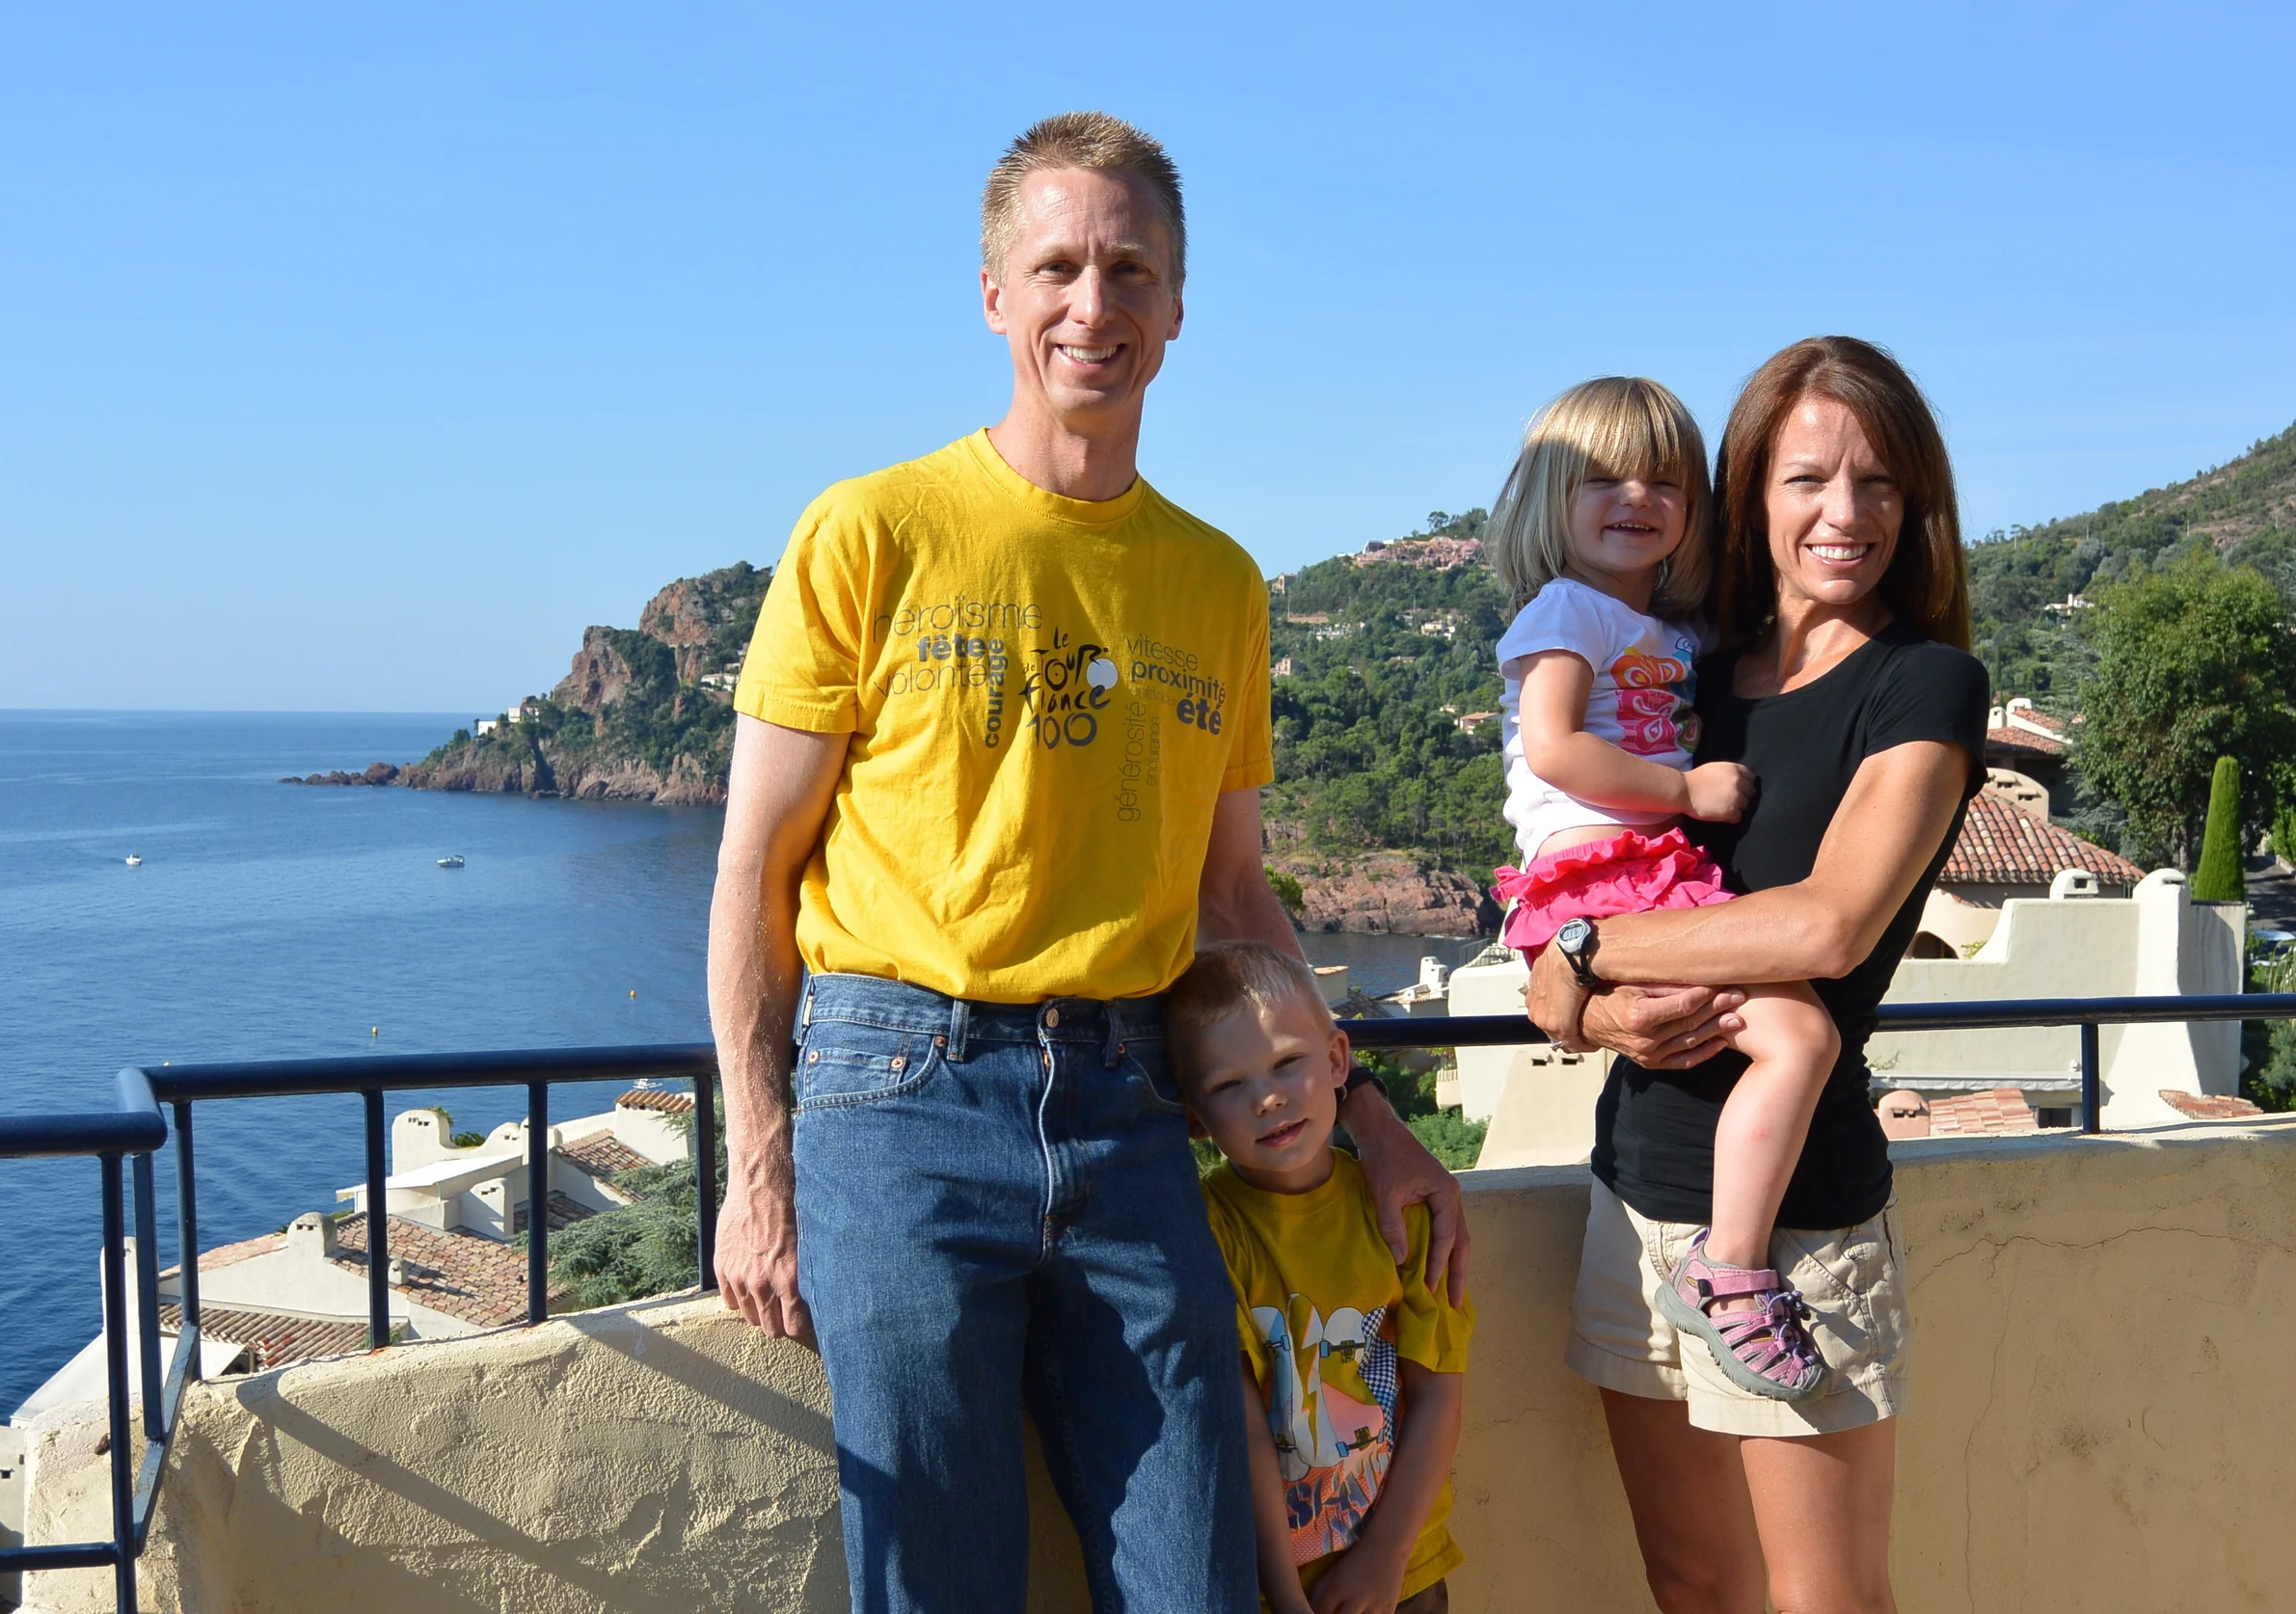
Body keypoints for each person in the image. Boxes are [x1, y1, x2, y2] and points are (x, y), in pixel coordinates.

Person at [705, 111, 1467, 1614]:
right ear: (993, 293)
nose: (1093, 305)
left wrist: (1365, 1103)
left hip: (1129, 1104)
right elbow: (751, 870)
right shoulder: (872, 531)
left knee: (1199, 1573)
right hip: (898, 1094)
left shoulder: (1218, 582)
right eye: (1057, 265)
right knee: (940, 1581)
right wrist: (758, 1154)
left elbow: (1235, 899)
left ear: (1178, 306)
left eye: (1131, 270)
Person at [1525, 336, 1988, 1614]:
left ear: (1918, 505)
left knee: (1822, 1600)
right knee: (1689, 1582)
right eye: (1808, 479)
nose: (1847, 513)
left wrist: (1581, 952)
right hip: (1635, 1194)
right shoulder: (1677, 684)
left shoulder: (1924, 685)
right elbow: (1567, 935)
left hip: (1800, 1233)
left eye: (1881, 482)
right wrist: (1583, 993)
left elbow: (1825, 928)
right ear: (1752, 497)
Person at [1482, 376, 1838, 1402]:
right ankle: (1730, 1265)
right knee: (1798, 1037)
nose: (1634, 495)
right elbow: (1551, 746)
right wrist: (1682, 788)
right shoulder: (1567, 609)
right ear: (1549, 495)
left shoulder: (1672, 632)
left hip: (1649, 871)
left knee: (1777, 1037)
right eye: (1600, 477)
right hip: (1607, 870)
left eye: (1664, 479)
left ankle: (1723, 1252)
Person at [1170, 942, 1472, 1614]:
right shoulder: (1207, 1232)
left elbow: (1437, 1396)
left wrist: (1385, 1559)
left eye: (1286, 1063)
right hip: (1280, 1583)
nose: (1268, 1097)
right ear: (1195, 1119)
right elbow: (1242, 1425)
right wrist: (1281, 1593)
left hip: (1405, 1569)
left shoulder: (1401, 1214)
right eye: (1228, 1086)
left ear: (1338, 1061)